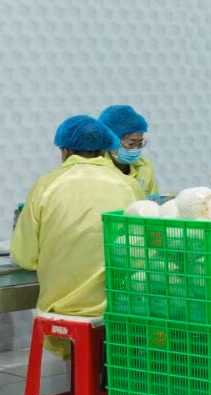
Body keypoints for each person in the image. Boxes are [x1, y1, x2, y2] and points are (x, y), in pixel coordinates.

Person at [11, 116, 144, 357]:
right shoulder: (128, 185)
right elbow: (139, 250)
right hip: (118, 307)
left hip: (62, 307)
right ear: (106, 149)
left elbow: (25, 257)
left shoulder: (45, 186)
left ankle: (78, 374)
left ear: (64, 150)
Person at [98, 105, 159, 196]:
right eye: (131, 144)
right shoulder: (97, 168)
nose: (136, 149)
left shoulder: (144, 168)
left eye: (140, 144)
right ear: (111, 141)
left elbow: (154, 203)